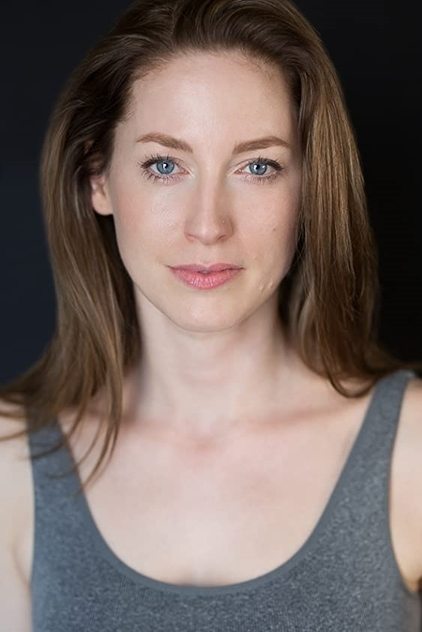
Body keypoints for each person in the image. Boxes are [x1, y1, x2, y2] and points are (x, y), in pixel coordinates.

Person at [1, 0, 421, 629]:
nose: (208, 225)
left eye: (257, 167)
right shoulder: (10, 459)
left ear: (309, 186)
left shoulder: (411, 447)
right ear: (98, 178)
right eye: (165, 165)